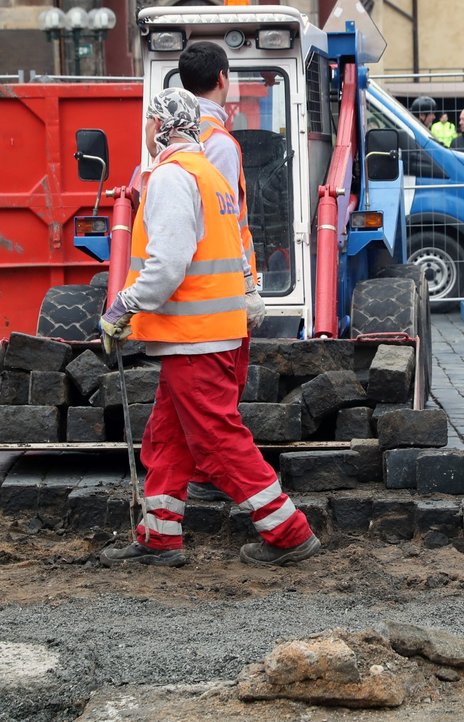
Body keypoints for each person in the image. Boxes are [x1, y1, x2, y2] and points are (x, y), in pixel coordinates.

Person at [98, 88, 321, 568]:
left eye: (147, 124)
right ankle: (159, 538)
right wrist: (249, 294)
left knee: (217, 442)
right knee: (168, 438)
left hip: (193, 338)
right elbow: (239, 245)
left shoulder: (172, 177)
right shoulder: (210, 175)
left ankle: (288, 533)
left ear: (158, 127)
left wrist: (124, 306)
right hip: (218, 332)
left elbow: (168, 263)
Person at [178, 41, 264, 503]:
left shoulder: (173, 140)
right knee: (224, 386)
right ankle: (216, 476)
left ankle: (196, 473)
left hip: (192, 287)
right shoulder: (221, 144)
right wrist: (249, 286)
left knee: (191, 394)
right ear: (224, 79)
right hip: (222, 286)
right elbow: (226, 220)